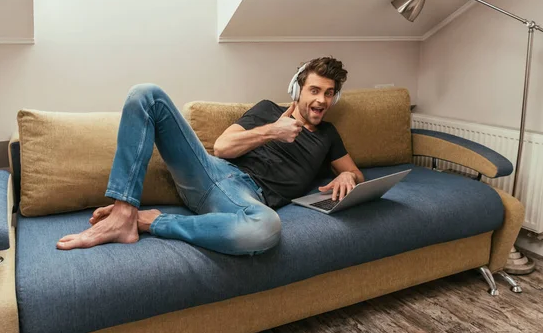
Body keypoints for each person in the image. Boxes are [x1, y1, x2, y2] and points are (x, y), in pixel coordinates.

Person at [56, 57, 364, 255]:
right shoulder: (268, 110)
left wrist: (349, 174)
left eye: (328, 93)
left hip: (244, 198)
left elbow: (357, 175)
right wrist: (273, 131)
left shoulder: (328, 135)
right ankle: (123, 215)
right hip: (210, 171)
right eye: (314, 90)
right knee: (145, 93)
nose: (321, 100)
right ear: (298, 90)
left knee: (266, 228)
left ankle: (151, 222)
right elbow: (222, 147)